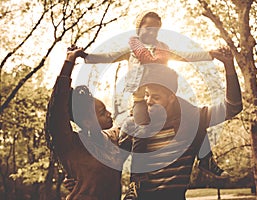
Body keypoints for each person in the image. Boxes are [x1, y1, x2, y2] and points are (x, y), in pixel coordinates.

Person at [123, 47, 243, 200]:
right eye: (147, 95)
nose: (149, 101)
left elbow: (233, 108)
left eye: (156, 97)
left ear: (172, 98)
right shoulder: (140, 124)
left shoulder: (191, 120)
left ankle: (206, 161)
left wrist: (229, 66)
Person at [78, 10, 214, 126]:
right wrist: (87, 56)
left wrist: (209, 54)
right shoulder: (131, 49)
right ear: (139, 29)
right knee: (141, 126)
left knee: (175, 119)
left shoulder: (163, 49)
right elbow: (109, 56)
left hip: (160, 95)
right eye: (148, 28)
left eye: (156, 30)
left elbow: (186, 55)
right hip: (140, 96)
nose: (152, 33)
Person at [45, 48, 127, 200]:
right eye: (102, 112)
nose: (109, 114)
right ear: (88, 122)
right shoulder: (72, 144)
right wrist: (69, 61)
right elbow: (56, 113)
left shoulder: (115, 138)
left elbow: (137, 118)